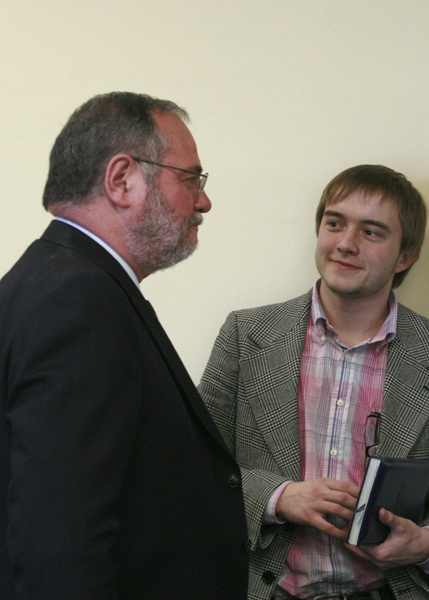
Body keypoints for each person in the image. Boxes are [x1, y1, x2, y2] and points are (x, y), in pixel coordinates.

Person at [0, 92, 249, 600]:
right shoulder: (80, 302)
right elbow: (61, 547)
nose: (203, 201)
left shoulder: (47, 280)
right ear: (121, 180)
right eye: (190, 178)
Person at [199, 164, 429, 600]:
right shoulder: (246, 335)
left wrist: (426, 543)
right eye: (334, 223)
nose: (346, 244)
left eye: (371, 232)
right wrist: (278, 497)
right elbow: (194, 466)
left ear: (405, 257)